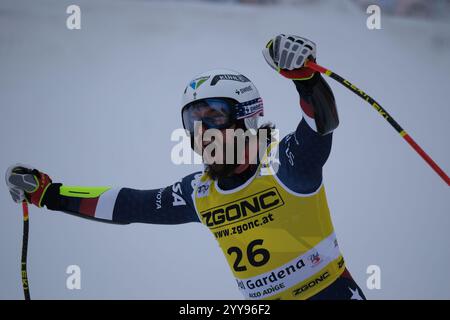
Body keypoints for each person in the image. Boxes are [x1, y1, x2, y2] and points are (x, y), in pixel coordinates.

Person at [5, 34, 366, 300]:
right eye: (193, 121)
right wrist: (49, 194)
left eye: (214, 117)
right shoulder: (199, 192)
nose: (202, 132)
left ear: (248, 119)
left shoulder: (285, 162)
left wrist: (306, 78)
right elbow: (129, 204)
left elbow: (322, 123)